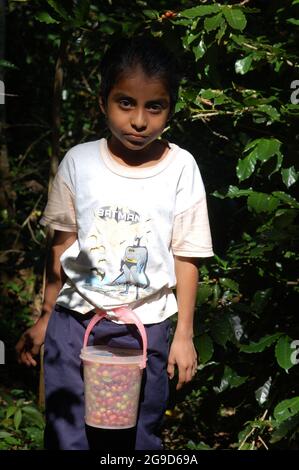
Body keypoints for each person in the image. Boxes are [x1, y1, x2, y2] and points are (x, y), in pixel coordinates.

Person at [16, 36, 214, 450]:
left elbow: (187, 256)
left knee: (138, 437)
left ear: (170, 108)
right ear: (103, 99)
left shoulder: (181, 168)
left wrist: (184, 335)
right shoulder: (79, 162)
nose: (139, 121)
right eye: (126, 103)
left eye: (154, 106)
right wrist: (46, 317)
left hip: (148, 329)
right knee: (68, 434)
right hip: (74, 326)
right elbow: (61, 247)